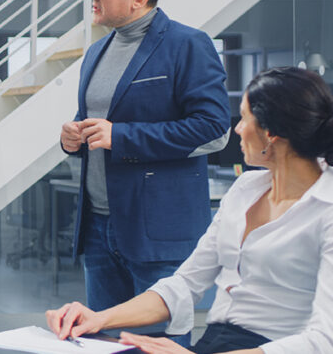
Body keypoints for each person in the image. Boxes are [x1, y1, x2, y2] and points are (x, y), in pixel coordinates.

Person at [47, 66, 333, 353]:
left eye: (244, 118)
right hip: (216, 342)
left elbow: (324, 340)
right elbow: (185, 284)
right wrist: (97, 319)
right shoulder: (246, 189)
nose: (237, 128)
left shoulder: (327, 211)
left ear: (271, 133)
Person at [58, 0, 230, 340]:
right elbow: (99, 127)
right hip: (99, 227)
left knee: (155, 344)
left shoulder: (187, 45)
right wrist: (72, 138)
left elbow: (214, 128)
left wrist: (122, 136)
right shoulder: (96, 52)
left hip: (157, 233)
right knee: (99, 342)